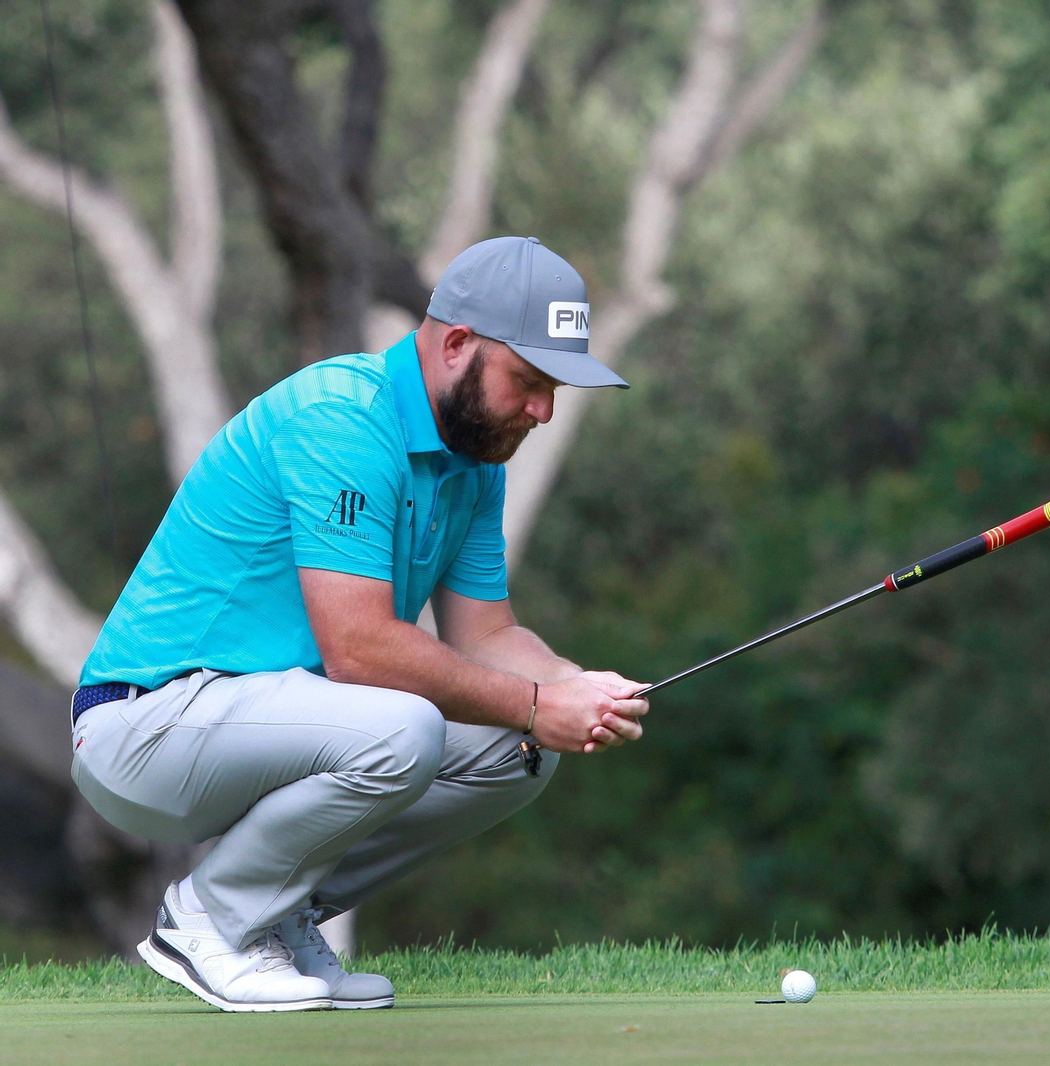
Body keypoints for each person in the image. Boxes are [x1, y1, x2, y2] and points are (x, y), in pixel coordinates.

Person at [69, 236, 649, 1012]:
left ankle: (277, 913)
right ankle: (210, 920)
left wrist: (579, 691)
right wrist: (539, 704)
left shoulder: (475, 461)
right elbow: (359, 649)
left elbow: (486, 638)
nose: (543, 410)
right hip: (143, 725)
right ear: (456, 344)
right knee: (407, 726)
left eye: (554, 389)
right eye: (528, 381)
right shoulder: (342, 417)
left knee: (518, 750)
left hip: (269, 729)